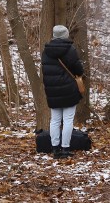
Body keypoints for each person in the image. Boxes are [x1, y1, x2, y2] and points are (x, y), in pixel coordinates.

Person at [41, 25, 84, 159]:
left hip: (52, 90)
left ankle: (55, 148)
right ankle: (65, 148)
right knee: (68, 120)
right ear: (65, 35)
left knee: (55, 120)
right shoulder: (70, 50)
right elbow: (78, 70)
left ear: (54, 35)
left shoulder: (46, 51)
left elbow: (45, 71)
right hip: (69, 89)